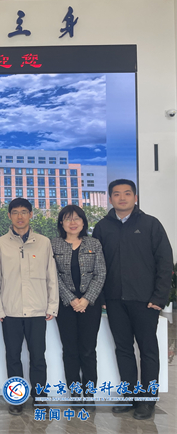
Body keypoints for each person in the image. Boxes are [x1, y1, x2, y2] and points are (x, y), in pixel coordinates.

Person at [93, 179, 173, 420]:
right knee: (124, 349)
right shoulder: (102, 227)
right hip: (114, 300)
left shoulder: (151, 224)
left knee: (148, 350)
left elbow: (165, 262)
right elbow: (97, 265)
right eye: (117, 194)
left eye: (127, 193)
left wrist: (159, 297)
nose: (122, 198)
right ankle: (128, 395)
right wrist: (103, 297)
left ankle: (147, 399)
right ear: (110, 199)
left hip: (145, 300)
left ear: (135, 197)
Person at [0, 198, 59, 415]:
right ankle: (17, 398)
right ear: (9, 216)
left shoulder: (43, 242)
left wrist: (52, 306)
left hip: (37, 310)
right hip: (10, 311)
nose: (19, 216)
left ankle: (40, 397)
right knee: (13, 357)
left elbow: (51, 276)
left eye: (24, 212)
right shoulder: (0, 244)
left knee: (38, 357)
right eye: (15, 212)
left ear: (31, 214)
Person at [50, 205, 106, 407]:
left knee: (88, 350)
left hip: (90, 305)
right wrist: (72, 299)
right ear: (61, 223)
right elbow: (52, 276)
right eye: (67, 219)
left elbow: (100, 273)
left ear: (83, 222)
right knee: (70, 350)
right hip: (65, 305)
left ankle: (89, 395)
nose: (72, 223)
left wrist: (86, 299)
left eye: (77, 218)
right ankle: (75, 393)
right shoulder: (53, 244)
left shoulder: (94, 244)